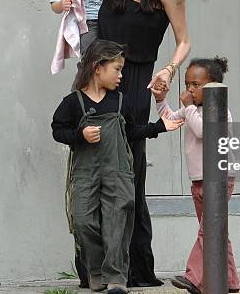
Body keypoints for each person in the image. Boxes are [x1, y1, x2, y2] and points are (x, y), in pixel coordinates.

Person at [97, 0, 191, 287]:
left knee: (128, 177)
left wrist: (168, 71)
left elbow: (184, 39)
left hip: (136, 83)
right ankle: (99, 266)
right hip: (99, 83)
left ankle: (135, 267)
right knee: (96, 174)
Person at [51, 40, 183, 294]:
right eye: (117, 69)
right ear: (97, 68)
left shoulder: (121, 101)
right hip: (85, 172)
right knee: (82, 221)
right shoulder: (73, 102)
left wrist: (158, 127)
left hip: (118, 171)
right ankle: (96, 271)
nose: (121, 75)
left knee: (117, 225)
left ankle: (116, 278)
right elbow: (58, 130)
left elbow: (131, 131)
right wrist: (80, 134)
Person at [151, 56, 240, 294]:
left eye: (196, 85)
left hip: (220, 180)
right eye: (188, 84)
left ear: (212, 86)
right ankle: (230, 280)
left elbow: (204, 131)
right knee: (215, 230)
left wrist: (188, 107)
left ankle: (194, 276)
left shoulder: (222, 111)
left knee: (209, 229)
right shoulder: (192, 109)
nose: (190, 89)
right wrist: (160, 100)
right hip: (199, 180)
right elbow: (170, 118)